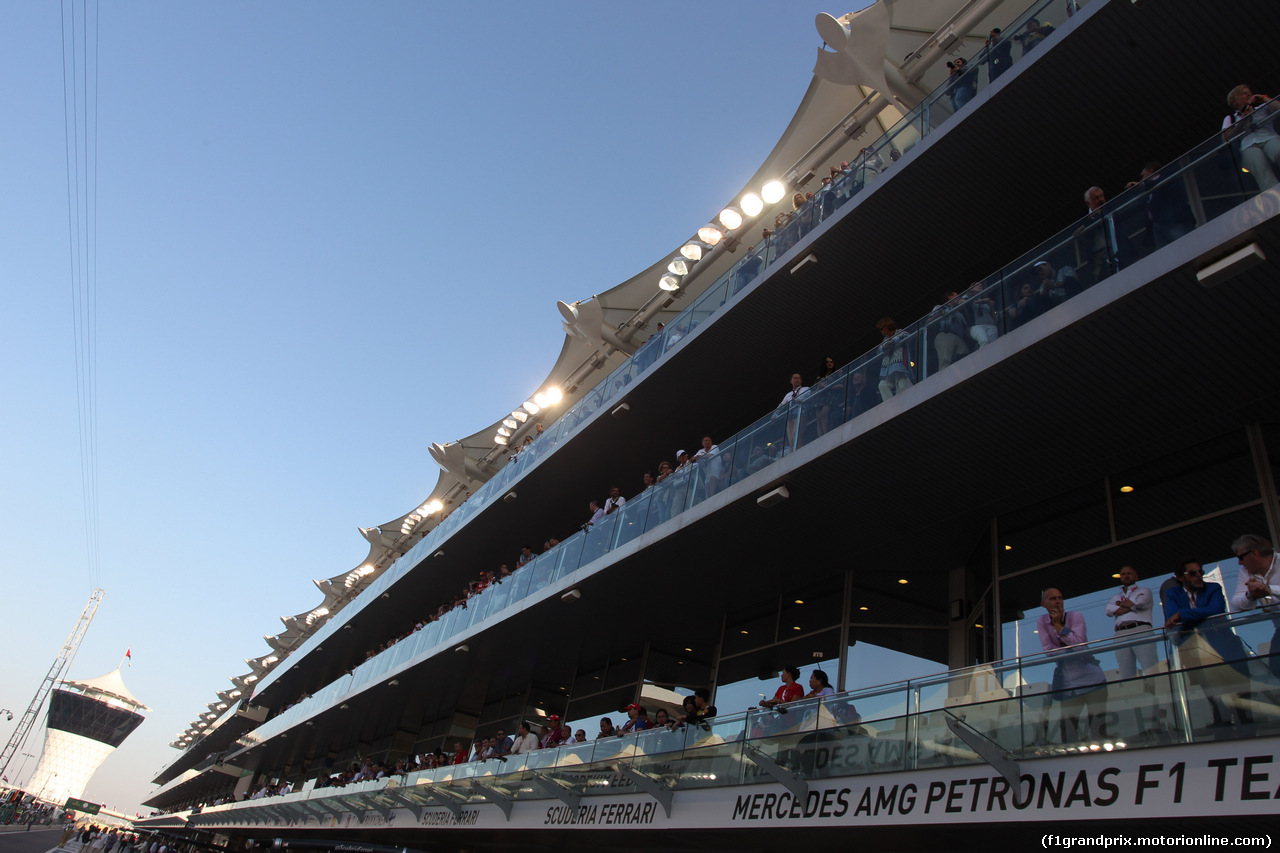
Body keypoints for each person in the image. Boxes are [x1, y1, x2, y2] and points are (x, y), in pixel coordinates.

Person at [1038, 587, 1107, 743]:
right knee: (1068, 734)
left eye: (1060, 598)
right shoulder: (1042, 622)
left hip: (1094, 681)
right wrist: (1070, 650)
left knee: (1098, 733)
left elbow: (1080, 646)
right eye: (1053, 598)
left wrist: (1058, 626)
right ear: (1044, 604)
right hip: (1069, 686)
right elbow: (1048, 651)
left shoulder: (1075, 616)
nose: (1057, 601)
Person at [1231, 534, 1280, 677]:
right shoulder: (1245, 571)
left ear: (1255, 553)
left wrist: (1269, 590)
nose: (1240, 563)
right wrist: (1251, 595)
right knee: (1277, 667)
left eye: (1241, 557)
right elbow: (1236, 603)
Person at [1105, 565, 1159, 680]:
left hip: (1141, 629)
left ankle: (1157, 696)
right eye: (1123, 574)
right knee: (1126, 674)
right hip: (1120, 633)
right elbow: (1108, 610)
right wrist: (1132, 605)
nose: (1126, 576)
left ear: (1136, 577)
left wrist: (1119, 606)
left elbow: (1141, 603)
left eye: (1129, 573)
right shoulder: (1116, 596)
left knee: (1150, 669)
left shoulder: (1144, 591)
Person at [1222, 85, 1280, 191]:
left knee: (1278, 151)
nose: (1248, 94)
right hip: (1248, 145)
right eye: (1244, 93)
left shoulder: (1262, 108)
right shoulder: (1231, 117)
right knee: (1260, 170)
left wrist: (1263, 98)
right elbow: (1226, 138)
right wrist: (1243, 121)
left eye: (1249, 92)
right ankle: (1275, 199)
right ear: (1235, 101)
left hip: (1268, 137)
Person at [929, 290, 971, 370]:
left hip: (958, 337)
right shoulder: (940, 308)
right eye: (957, 295)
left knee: (965, 354)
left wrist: (975, 337)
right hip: (944, 335)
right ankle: (944, 378)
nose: (959, 297)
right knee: (945, 359)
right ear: (950, 297)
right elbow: (927, 323)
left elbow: (966, 329)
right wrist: (938, 314)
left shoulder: (959, 313)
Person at [875, 317, 915, 401]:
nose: (881, 331)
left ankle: (911, 397)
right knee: (882, 385)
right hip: (889, 368)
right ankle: (891, 403)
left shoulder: (899, 332)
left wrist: (893, 341)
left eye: (882, 328)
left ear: (887, 326)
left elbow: (907, 335)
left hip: (899, 364)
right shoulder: (885, 340)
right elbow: (878, 351)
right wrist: (884, 347)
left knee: (901, 383)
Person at [776, 372, 811, 449]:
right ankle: (793, 454)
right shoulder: (788, 394)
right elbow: (781, 406)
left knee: (796, 435)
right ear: (791, 381)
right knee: (791, 440)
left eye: (799, 378)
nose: (797, 379)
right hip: (790, 417)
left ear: (801, 381)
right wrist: (775, 415)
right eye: (795, 378)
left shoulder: (806, 389)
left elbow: (809, 397)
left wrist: (800, 400)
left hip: (801, 413)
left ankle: (800, 452)